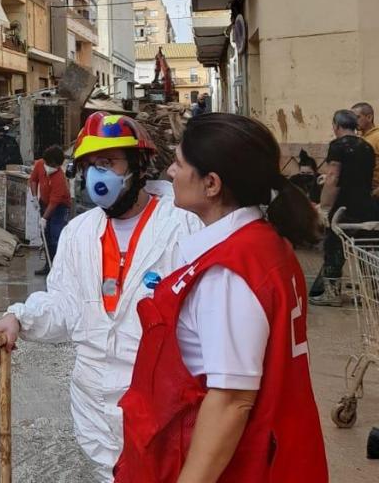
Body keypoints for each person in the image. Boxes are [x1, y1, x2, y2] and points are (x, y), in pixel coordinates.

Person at [0, 112, 201, 481]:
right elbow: (66, 306)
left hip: (162, 403)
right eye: (89, 165)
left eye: (108, 163)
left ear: (139, 165)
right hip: (95, 403)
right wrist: (18, 318)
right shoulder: (78, 233)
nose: (97, 175)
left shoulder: (183, 226)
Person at [115, 113, 328, 482]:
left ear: (211, 184)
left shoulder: (227, 273)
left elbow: (231, 401)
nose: (170, 174)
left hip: (238, 465)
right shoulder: (265, 245)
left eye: (179, 164)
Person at [311, 108, 375, 306]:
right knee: (367, 250)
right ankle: (371, 293)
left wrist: (325, 207)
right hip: (366, 204)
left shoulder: (338, 146)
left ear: (336, 125)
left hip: (343, 208)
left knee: (334, 247)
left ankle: (332, 294)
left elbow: (333, 178)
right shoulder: (366, 147)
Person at [29, 145, 72, 274]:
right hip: (44, 203)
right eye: (51, 164)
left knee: (56, 236)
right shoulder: (40, 164)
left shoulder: (59, 178)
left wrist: (44, 218)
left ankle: (60, 269)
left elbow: (55, 202)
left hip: (60, 208)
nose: (52, 167)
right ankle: (49, 265)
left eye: (55, 166)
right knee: (45, 235)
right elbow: (33, 180)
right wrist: (35, 197)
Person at [352, 101, 379, 198]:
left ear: (369, 117)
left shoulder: (377, 136)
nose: (354, 121)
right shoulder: (359, 138)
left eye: (357, 117)